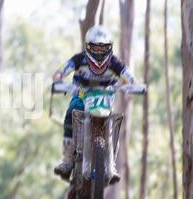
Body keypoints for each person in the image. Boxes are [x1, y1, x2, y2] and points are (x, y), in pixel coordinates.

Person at [52, 25, 135, 183]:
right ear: (87, 47)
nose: (98, 52)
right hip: (81, 96)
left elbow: (129, 76)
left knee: (114, 123)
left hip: (104, 101)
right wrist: (58, 79)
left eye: (102, 48)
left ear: (109, 48)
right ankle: (68, 158)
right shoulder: (79, 59)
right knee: (71, 112)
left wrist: (133, 85)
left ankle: (110, 165)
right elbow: (61, 70)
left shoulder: (115, 63)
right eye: (95, 48)